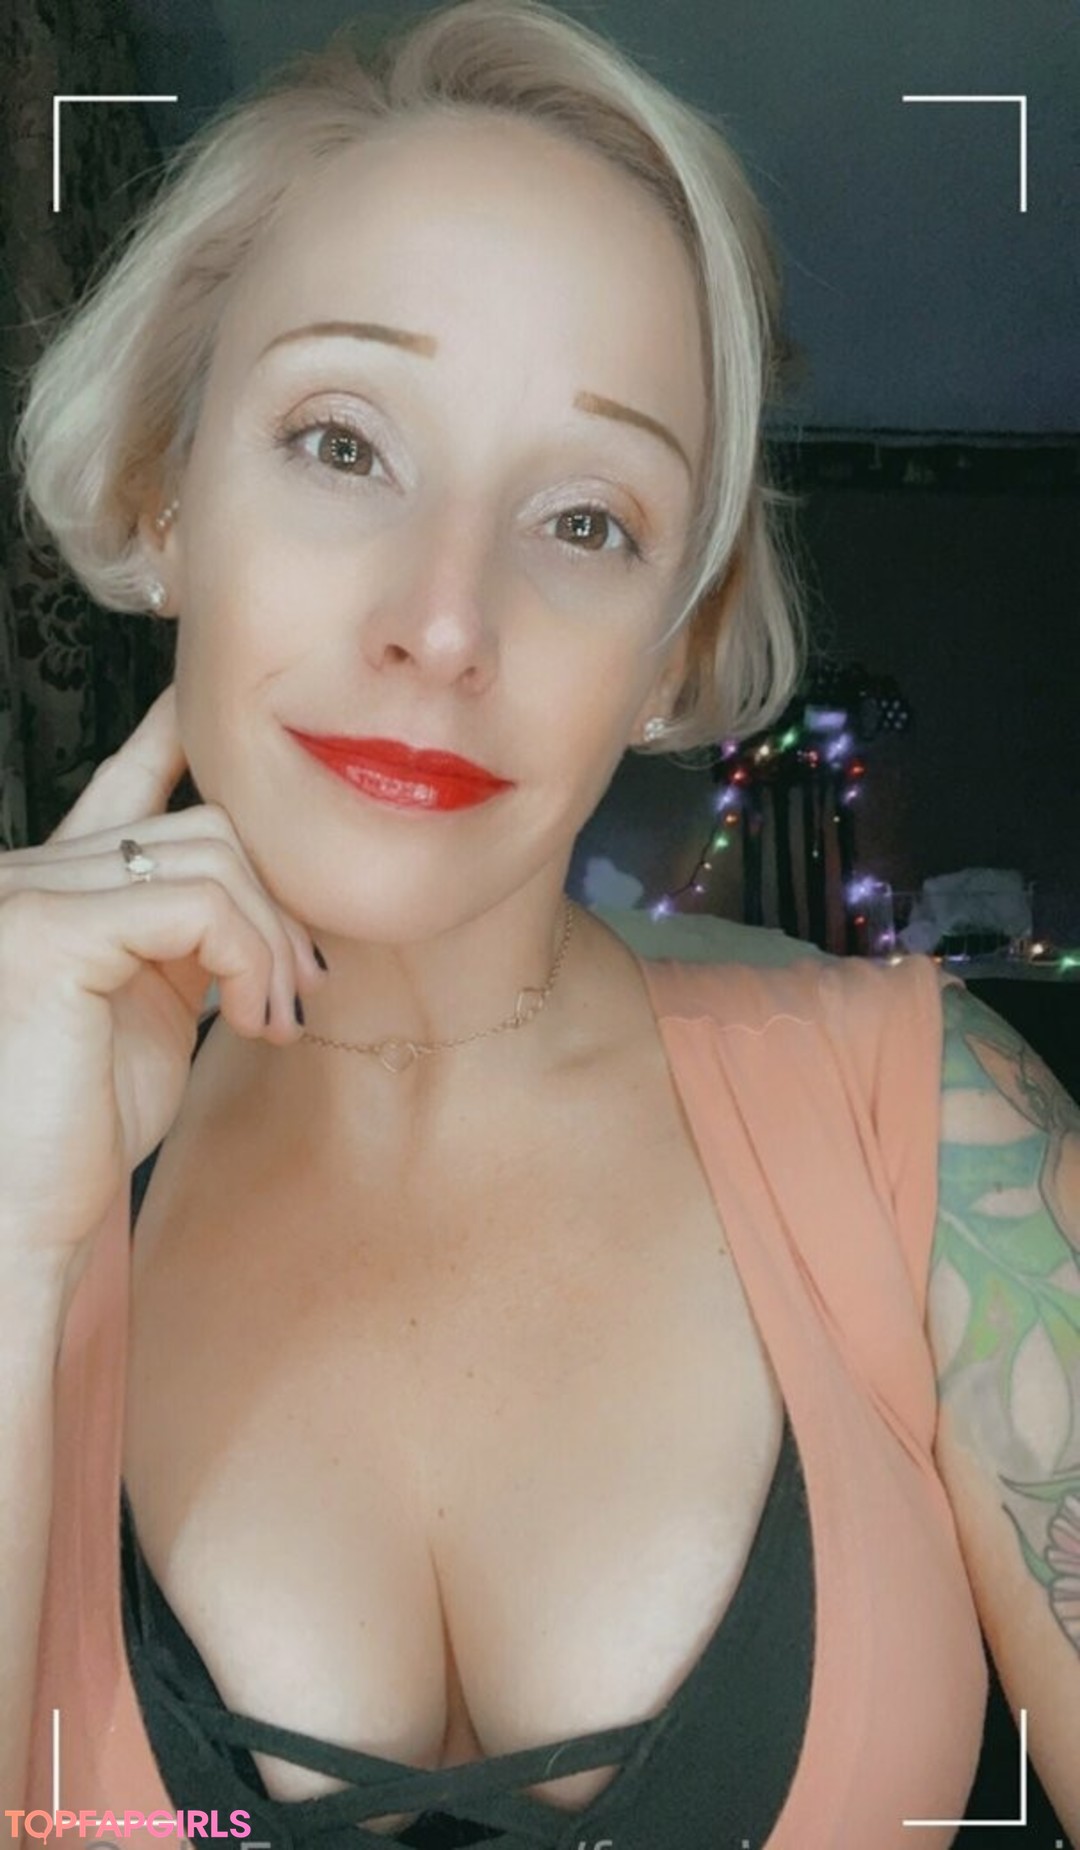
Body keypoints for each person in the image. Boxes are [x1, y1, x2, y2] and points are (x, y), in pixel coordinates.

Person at [4, 3, 1078, 1847]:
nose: (445, 621)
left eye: (585, 521)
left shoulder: (932, 1128)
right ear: (165, 496)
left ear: (669, 647)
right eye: (343, 443)